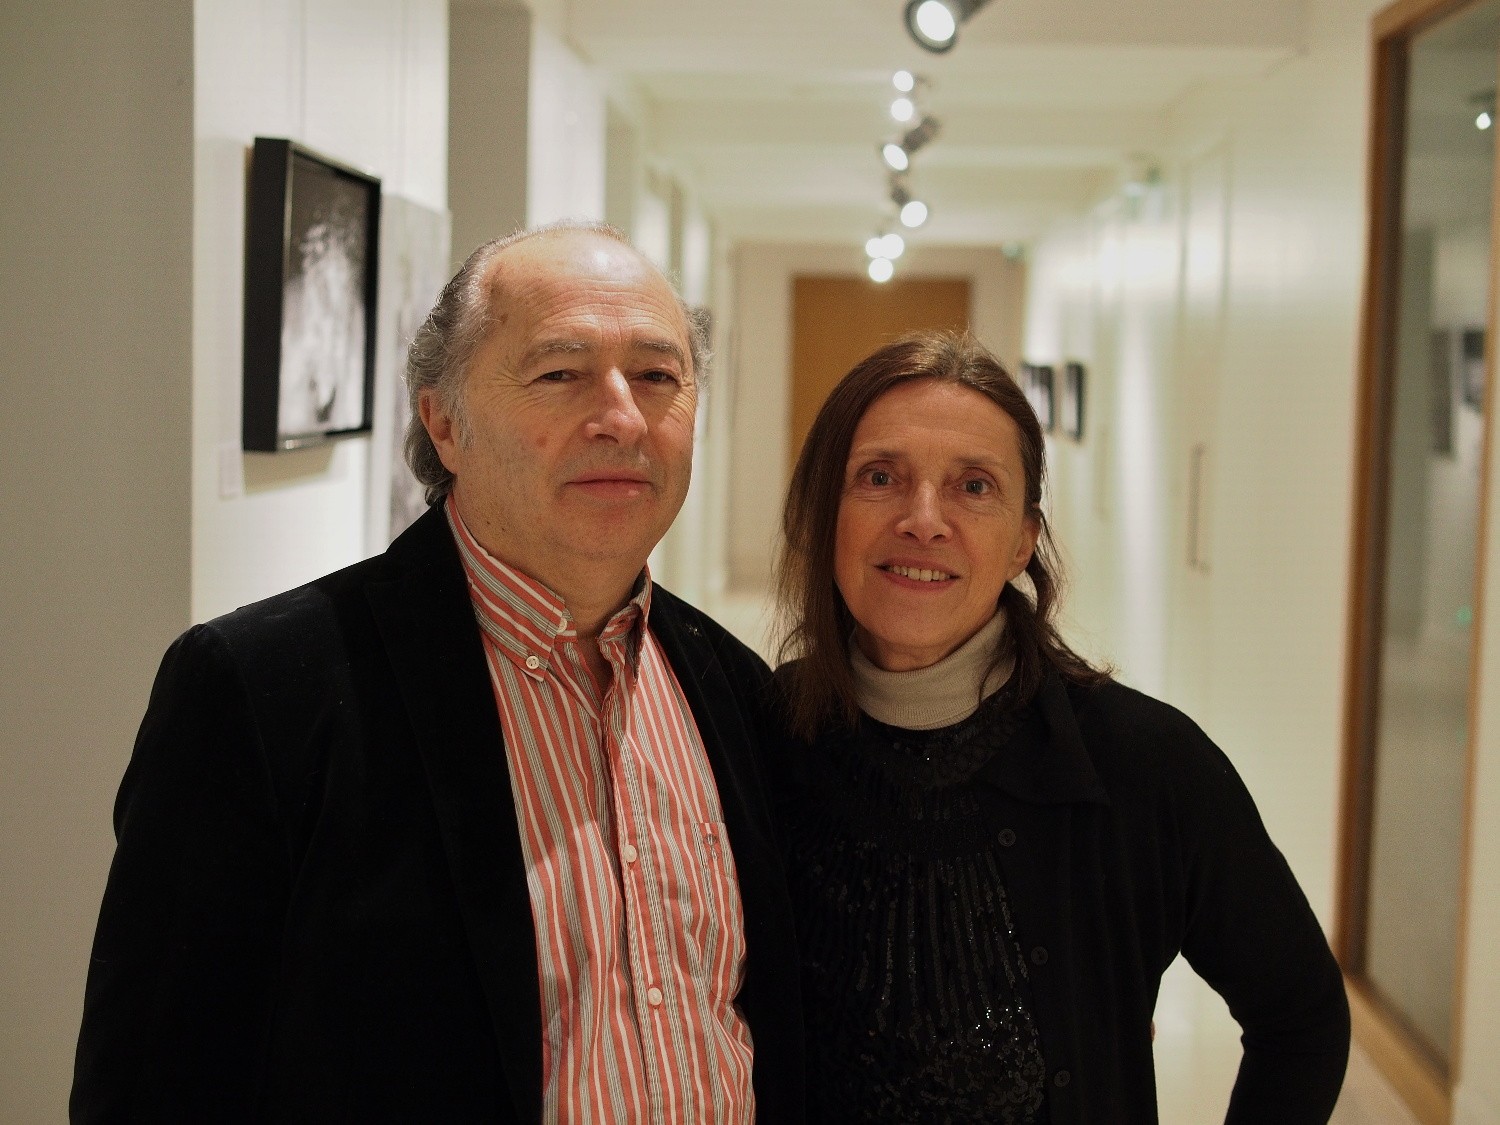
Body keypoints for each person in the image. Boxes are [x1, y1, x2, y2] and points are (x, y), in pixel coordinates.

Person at [72, 222, 804, 1124]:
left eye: (657, 376)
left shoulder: (733, 687)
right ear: (445, 423)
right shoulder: (262, 693)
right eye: (560, 373)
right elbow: (153, 1082)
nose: (622, 417)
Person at [770, 331, 1349, 1123]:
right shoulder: (763, 737)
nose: (924, 519)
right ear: (822, 510)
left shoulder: (1144, 763)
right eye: (880, 477)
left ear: (1022, 540)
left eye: (974, 485)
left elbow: (1302, 1019)